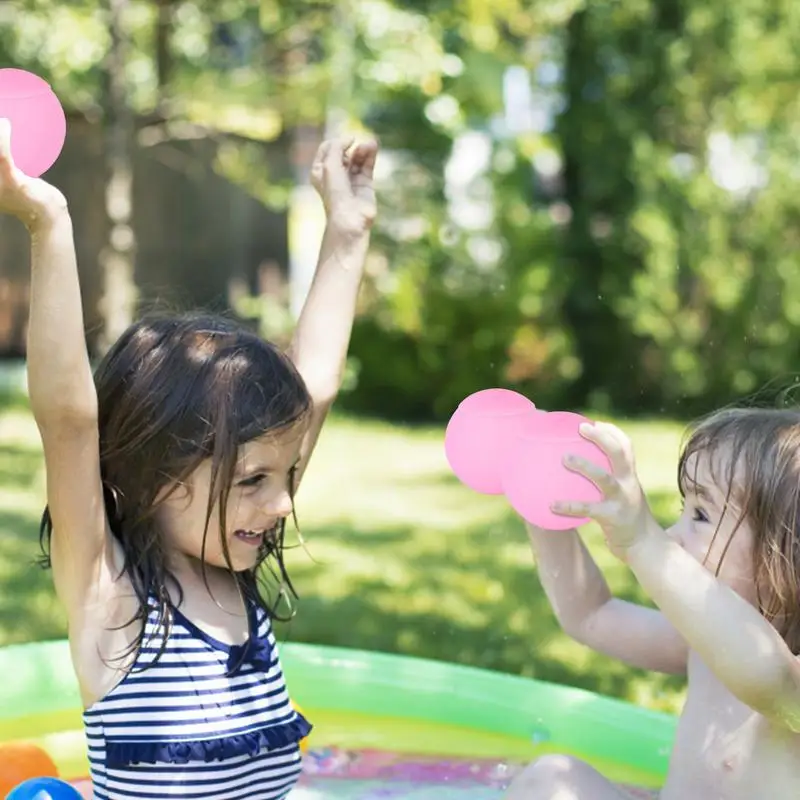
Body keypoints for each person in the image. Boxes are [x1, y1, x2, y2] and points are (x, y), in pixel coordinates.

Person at [0, 117, 377, 800]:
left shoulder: (233, 563)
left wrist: (348, 233)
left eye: (285, 475)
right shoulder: (110, 599)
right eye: (255, 480)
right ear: (154, 477)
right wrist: (46, 221)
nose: (283, 502)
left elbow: (312, 385)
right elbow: (68, 419)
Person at [504, 409, 800, 800]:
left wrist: (646, 544)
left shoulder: (784, 677)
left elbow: (767, 678)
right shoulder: (700, 647)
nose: (670, 536)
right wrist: (541, 503)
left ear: (785, 550)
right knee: (553, 781)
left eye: (700, 515)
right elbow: (590, 615)